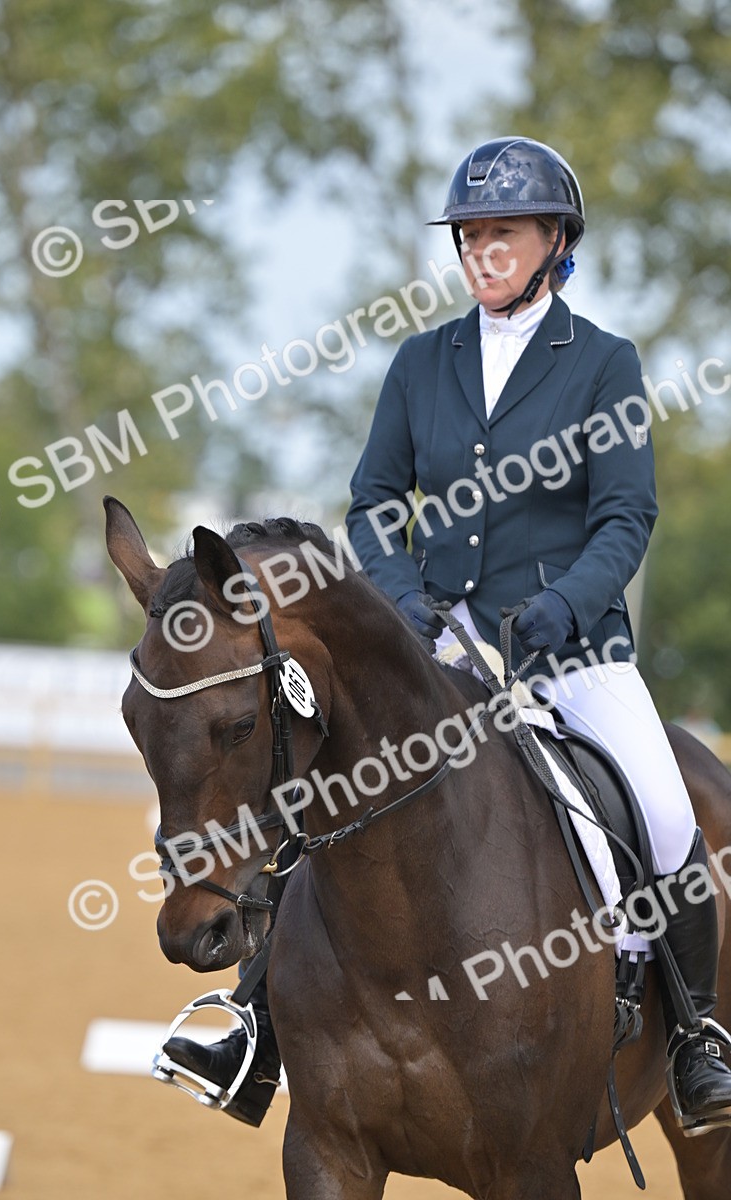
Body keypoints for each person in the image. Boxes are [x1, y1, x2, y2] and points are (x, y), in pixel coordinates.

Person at [167, 137, 731, 1133]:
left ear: (555, 242)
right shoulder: (424, 360)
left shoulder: (602, 363)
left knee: (665, 812)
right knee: (316, 796)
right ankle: (253, 1029)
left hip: (574, 654)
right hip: (439, 647)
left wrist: (568, 600)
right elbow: (375, 497)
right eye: (468, 234)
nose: (480, 249)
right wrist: (398, 592)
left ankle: (692, 1039)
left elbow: (624, 517)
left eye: (500, 232)